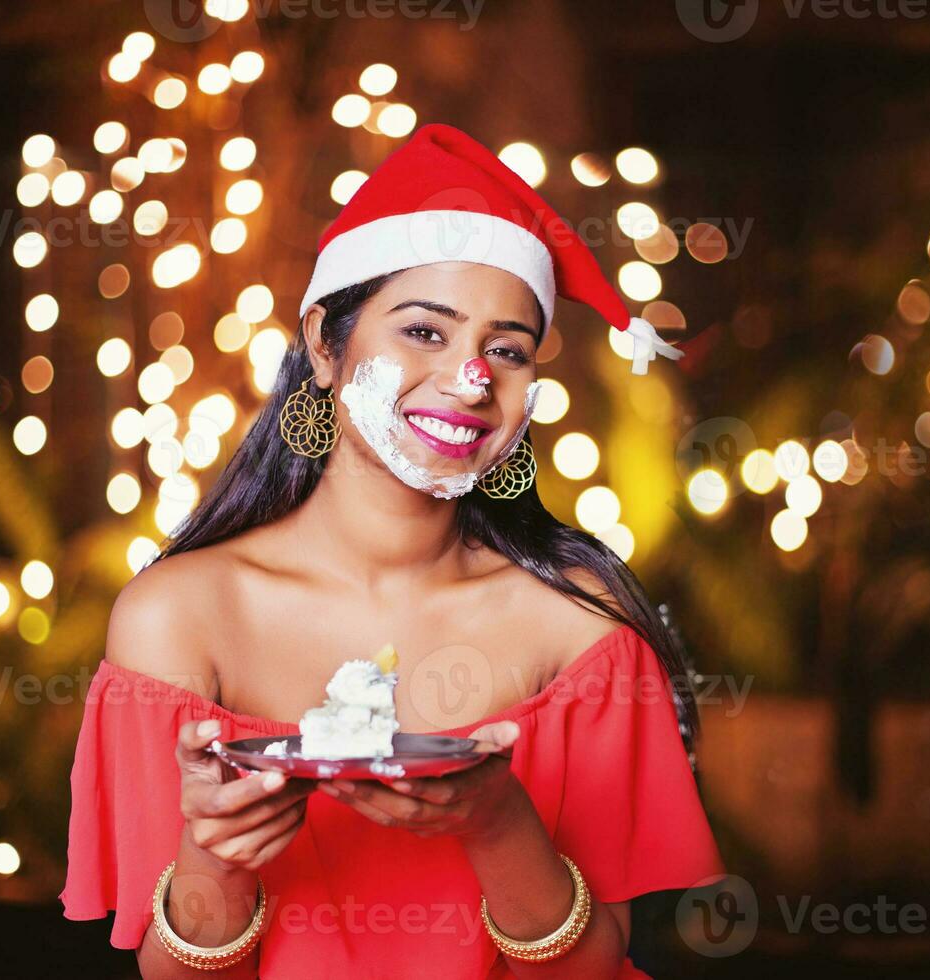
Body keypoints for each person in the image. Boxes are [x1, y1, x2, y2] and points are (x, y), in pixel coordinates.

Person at [60, 123, 724, 978]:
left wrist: (494, 819)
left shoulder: (578, 628)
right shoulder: (179, 618)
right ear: (324, 345)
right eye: (425, 332)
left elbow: (590, 971)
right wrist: (216, 854)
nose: (472, 377)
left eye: (508, 350)